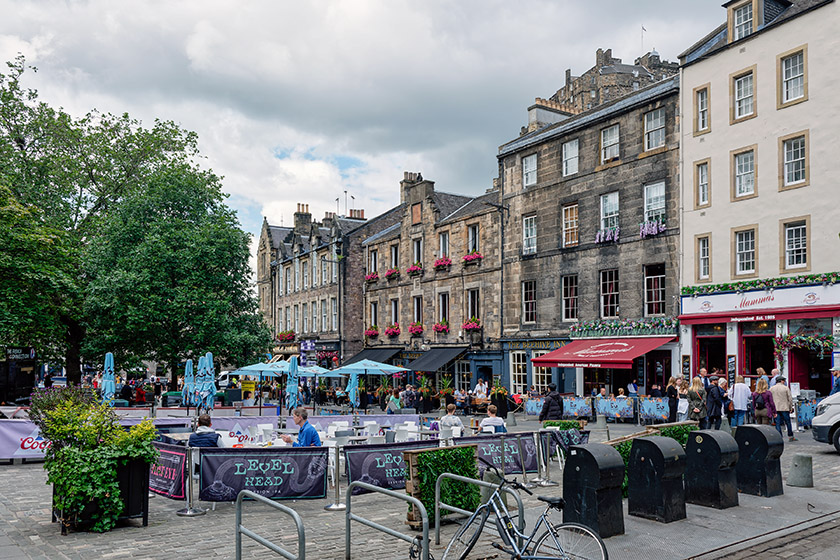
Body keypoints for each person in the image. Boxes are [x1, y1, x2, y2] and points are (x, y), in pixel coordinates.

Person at [770, 376, 796, 441]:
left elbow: (770, 399)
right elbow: (790, 399)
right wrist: (791, 407)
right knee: (788, 422)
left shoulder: (771, 388)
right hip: (785, 407)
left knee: (777, 423)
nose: (784, 382)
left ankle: (779, 437)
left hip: (776, 408)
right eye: (784, 380)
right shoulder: (786, 388)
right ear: (781, 381)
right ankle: (790, 436)